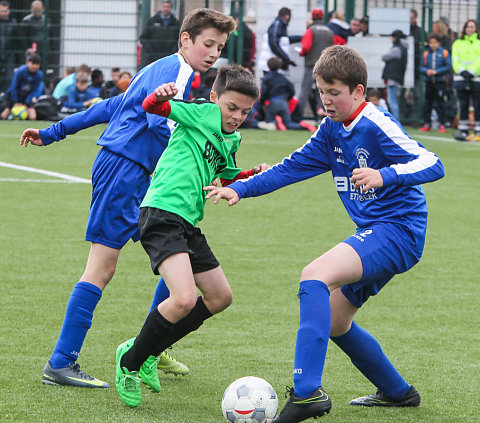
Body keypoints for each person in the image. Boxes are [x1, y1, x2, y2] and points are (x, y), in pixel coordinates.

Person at [205, 45, 445, 423]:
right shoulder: (331, 129)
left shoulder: (375, 123)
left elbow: (433, 162)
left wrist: (386, 174)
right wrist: (241, 188)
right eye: (321, 91)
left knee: (314, 275)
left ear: (359, 92)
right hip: (375, 231)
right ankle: (398, 392)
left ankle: (305, 395)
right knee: (334, 320)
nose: (327, 100)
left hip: (398, 231)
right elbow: (292, 166)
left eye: (335, 92)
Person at [20, 8, 236, 389]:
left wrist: (55, 132)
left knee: (177, 251)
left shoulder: (159, 68)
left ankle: (152, 346)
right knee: (101, 267)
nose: (214, 53)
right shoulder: (177, 72)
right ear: (185, 39)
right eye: (208, 44)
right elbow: (160, 123)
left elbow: (110, 106)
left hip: (140, 173)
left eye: (219, 47)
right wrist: (204, 153)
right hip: (126, 169)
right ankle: (61, 362)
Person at [114, 64, 267, 408]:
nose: (237, 116)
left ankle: (150, 351)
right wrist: (160, 96)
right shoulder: (200, 112)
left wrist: (250, 174)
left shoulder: (233, 137)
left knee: (220, 297)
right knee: (182, 298)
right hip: (161, 212)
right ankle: (130, 362)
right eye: (231, 107)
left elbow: (223, 173)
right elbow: (153, 108)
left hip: (187, 222)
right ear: (215, 98)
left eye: (246, 111)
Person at [259, 57, 316, 131]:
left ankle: (277, 123)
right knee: (288, 124)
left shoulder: (266, 78)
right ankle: (305, 127)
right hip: (283, 102)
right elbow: (292, 90)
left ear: (268, 66)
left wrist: (263, 102)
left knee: (269, 123)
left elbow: (263, 92)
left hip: (272, 102)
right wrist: (287, 99)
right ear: (279, 66)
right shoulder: (283, 78)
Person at [297, 8, 333, 120]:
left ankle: (298, 116)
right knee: (322, 92)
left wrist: (301, 52)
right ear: (322, 17)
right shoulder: (329, 31)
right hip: (325, 66)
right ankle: (321, 116)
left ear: (312, 17)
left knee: (305, 90)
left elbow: (305, 47)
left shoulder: (310, 30)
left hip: (311, 65)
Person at [452, 19, 480, 141]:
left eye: (472, 27)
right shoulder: (458, 43)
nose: (469, 29)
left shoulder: (478, 43)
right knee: (463, 104)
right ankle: (463, 130)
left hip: (476, 78)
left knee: (477, 105)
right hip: (461, 78)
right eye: (468, 27)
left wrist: (473, 72)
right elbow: (455, 58)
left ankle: (478, 129)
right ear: (464, 28)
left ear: (476, 29)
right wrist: (462, 71)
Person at [419, 33, 451, 133]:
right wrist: (426, 71)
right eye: (431, 42)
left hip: (440, 82)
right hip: (429, 82)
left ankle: (442, 124)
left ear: (439, 43)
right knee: (427, 103)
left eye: (435, 43)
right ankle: (427, 123)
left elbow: (448, 66)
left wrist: (437, 71)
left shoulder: (444, 53)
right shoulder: (426, 53)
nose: (433, 45)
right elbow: (420, 67)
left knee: (440, 103)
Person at [258, 7, 301, 74]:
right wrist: (286, 58)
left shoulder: (279, 25)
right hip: (271, 65)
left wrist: (300, 38)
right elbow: (273, 44)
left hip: (272, 64)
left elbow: (284, 41)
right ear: (286, 16)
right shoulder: (278, 25)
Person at [1, 53, 43, 120]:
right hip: (13, 96)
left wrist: (27, 102)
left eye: (37, 64)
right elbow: (14, 87)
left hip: (26, 97)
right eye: (33, 63)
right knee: (4, 115)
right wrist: (16, 101)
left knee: (33, 117)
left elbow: (34, 90)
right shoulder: (20, 71)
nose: (35, 66)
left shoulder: (39, 75)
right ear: (28, 62)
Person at [139, 0, 180, 68]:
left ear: (171, 8)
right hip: (152, 59)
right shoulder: (152, 21)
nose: (166, 9)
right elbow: (143, 38)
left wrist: (173, 51)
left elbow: (178, 39)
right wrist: (150, 51)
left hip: (169, 58)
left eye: (168, 7)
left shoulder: (176, 23)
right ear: (161, 7)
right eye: (164, 6)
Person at [381, 29, 408, 120]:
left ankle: (395, 119)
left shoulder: (397, 49)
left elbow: (385, 57)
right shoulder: (403, 48)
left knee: (392, 100)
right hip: (397, 78)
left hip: (393, 78)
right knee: (393, 100)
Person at [0, 1, 17, 93]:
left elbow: (17, 39)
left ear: (8, 11)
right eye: (1, 10)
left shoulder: (13, 23)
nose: (3, 13)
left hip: (9, 53)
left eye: (4, 11)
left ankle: (6, 97)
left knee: (9, 77)